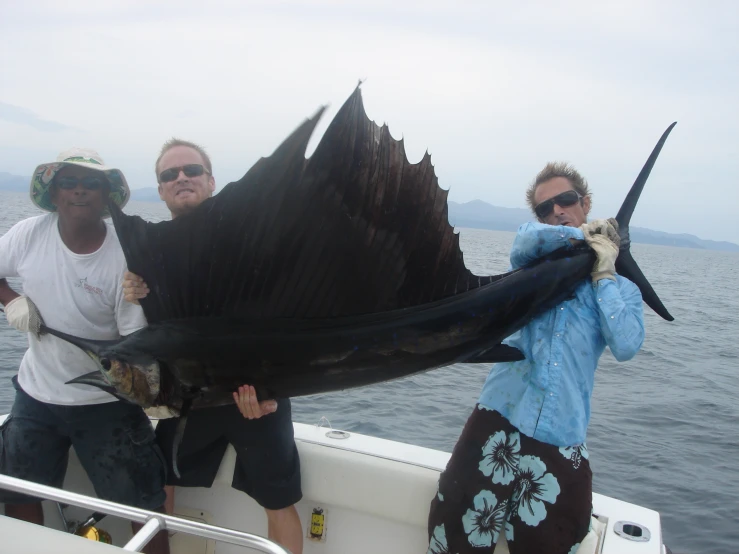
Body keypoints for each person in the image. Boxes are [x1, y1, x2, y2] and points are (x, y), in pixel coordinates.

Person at [426, 162, 645, 554]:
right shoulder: (534, 257)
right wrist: (583, 236)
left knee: (557, 542)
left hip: (561, 436)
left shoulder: (620, 288)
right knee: (452, 536)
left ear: (585, 201)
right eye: (546, 208)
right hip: (497, 420)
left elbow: (626, 344)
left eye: (565, 200)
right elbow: (524, 240)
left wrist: (604, 273)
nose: (556, 210)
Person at [123, 138, 303, 554]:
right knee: (158, 482)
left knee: (279, 500)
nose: (181, 178)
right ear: (162, 188)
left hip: (256, 396)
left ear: (211, 181)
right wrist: (131, 294)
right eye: (170, 174)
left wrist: (272, 389)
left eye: (191, 171)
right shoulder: (150, 252)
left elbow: (286, 317)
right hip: (190, 394)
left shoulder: (249, 239)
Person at [0, 148, 169, 554]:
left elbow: (131, 346)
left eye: (92, 183)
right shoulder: (26, 234)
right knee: (20, 495)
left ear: (107, 196)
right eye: (69, 182)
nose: (80, 191)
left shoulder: (125, 255)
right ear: (54, 193)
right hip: (35, 397)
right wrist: (10, 301)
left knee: (144, 509)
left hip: (107, 401)